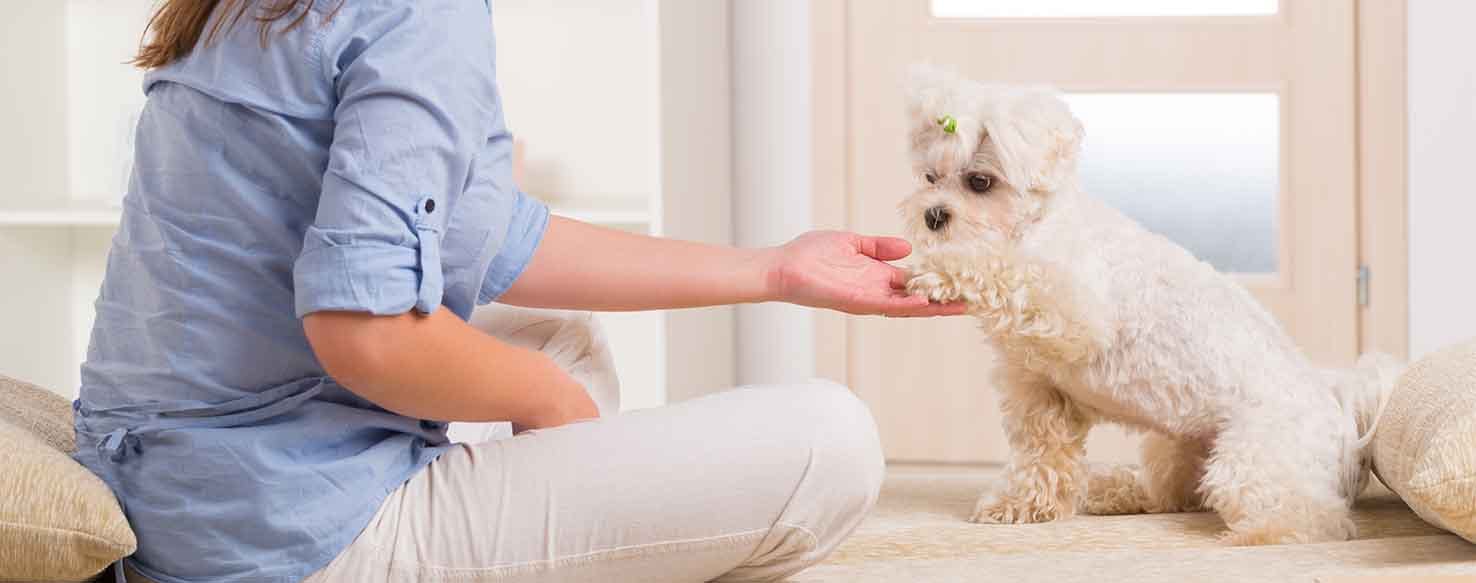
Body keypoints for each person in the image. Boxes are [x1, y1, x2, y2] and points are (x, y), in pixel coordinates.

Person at [73, 1, 963, 581]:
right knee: (833, 440)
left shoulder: (253, 9)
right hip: (284, 537)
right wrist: (555, 402)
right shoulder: (421, 13)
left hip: (172, 494)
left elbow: (493, 238)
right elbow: (362, 329)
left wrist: (773, 269)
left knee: (552, 321)